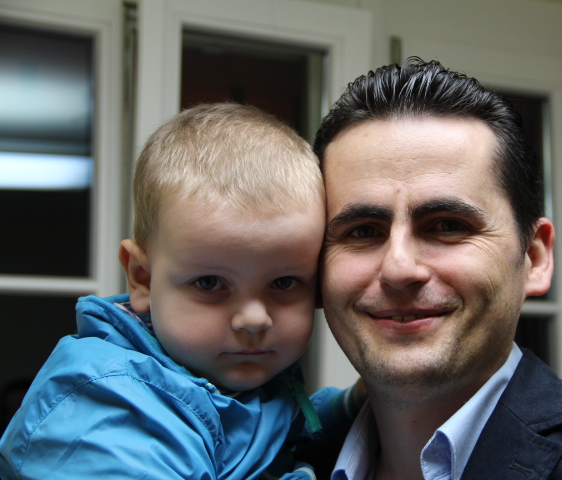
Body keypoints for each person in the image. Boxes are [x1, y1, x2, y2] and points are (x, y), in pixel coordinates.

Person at [311, 58, 562, 479]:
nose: (399, 268)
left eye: (448, 226)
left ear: (534, 258)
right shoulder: (284, 462)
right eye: (362, 231)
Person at [0, 103, 363, 480]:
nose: (254, 319)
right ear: (142, 278)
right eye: (210, 283)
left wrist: (353, 403)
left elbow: (273, 428)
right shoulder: (109, 412)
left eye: (284, 283)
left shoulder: (226, 371)